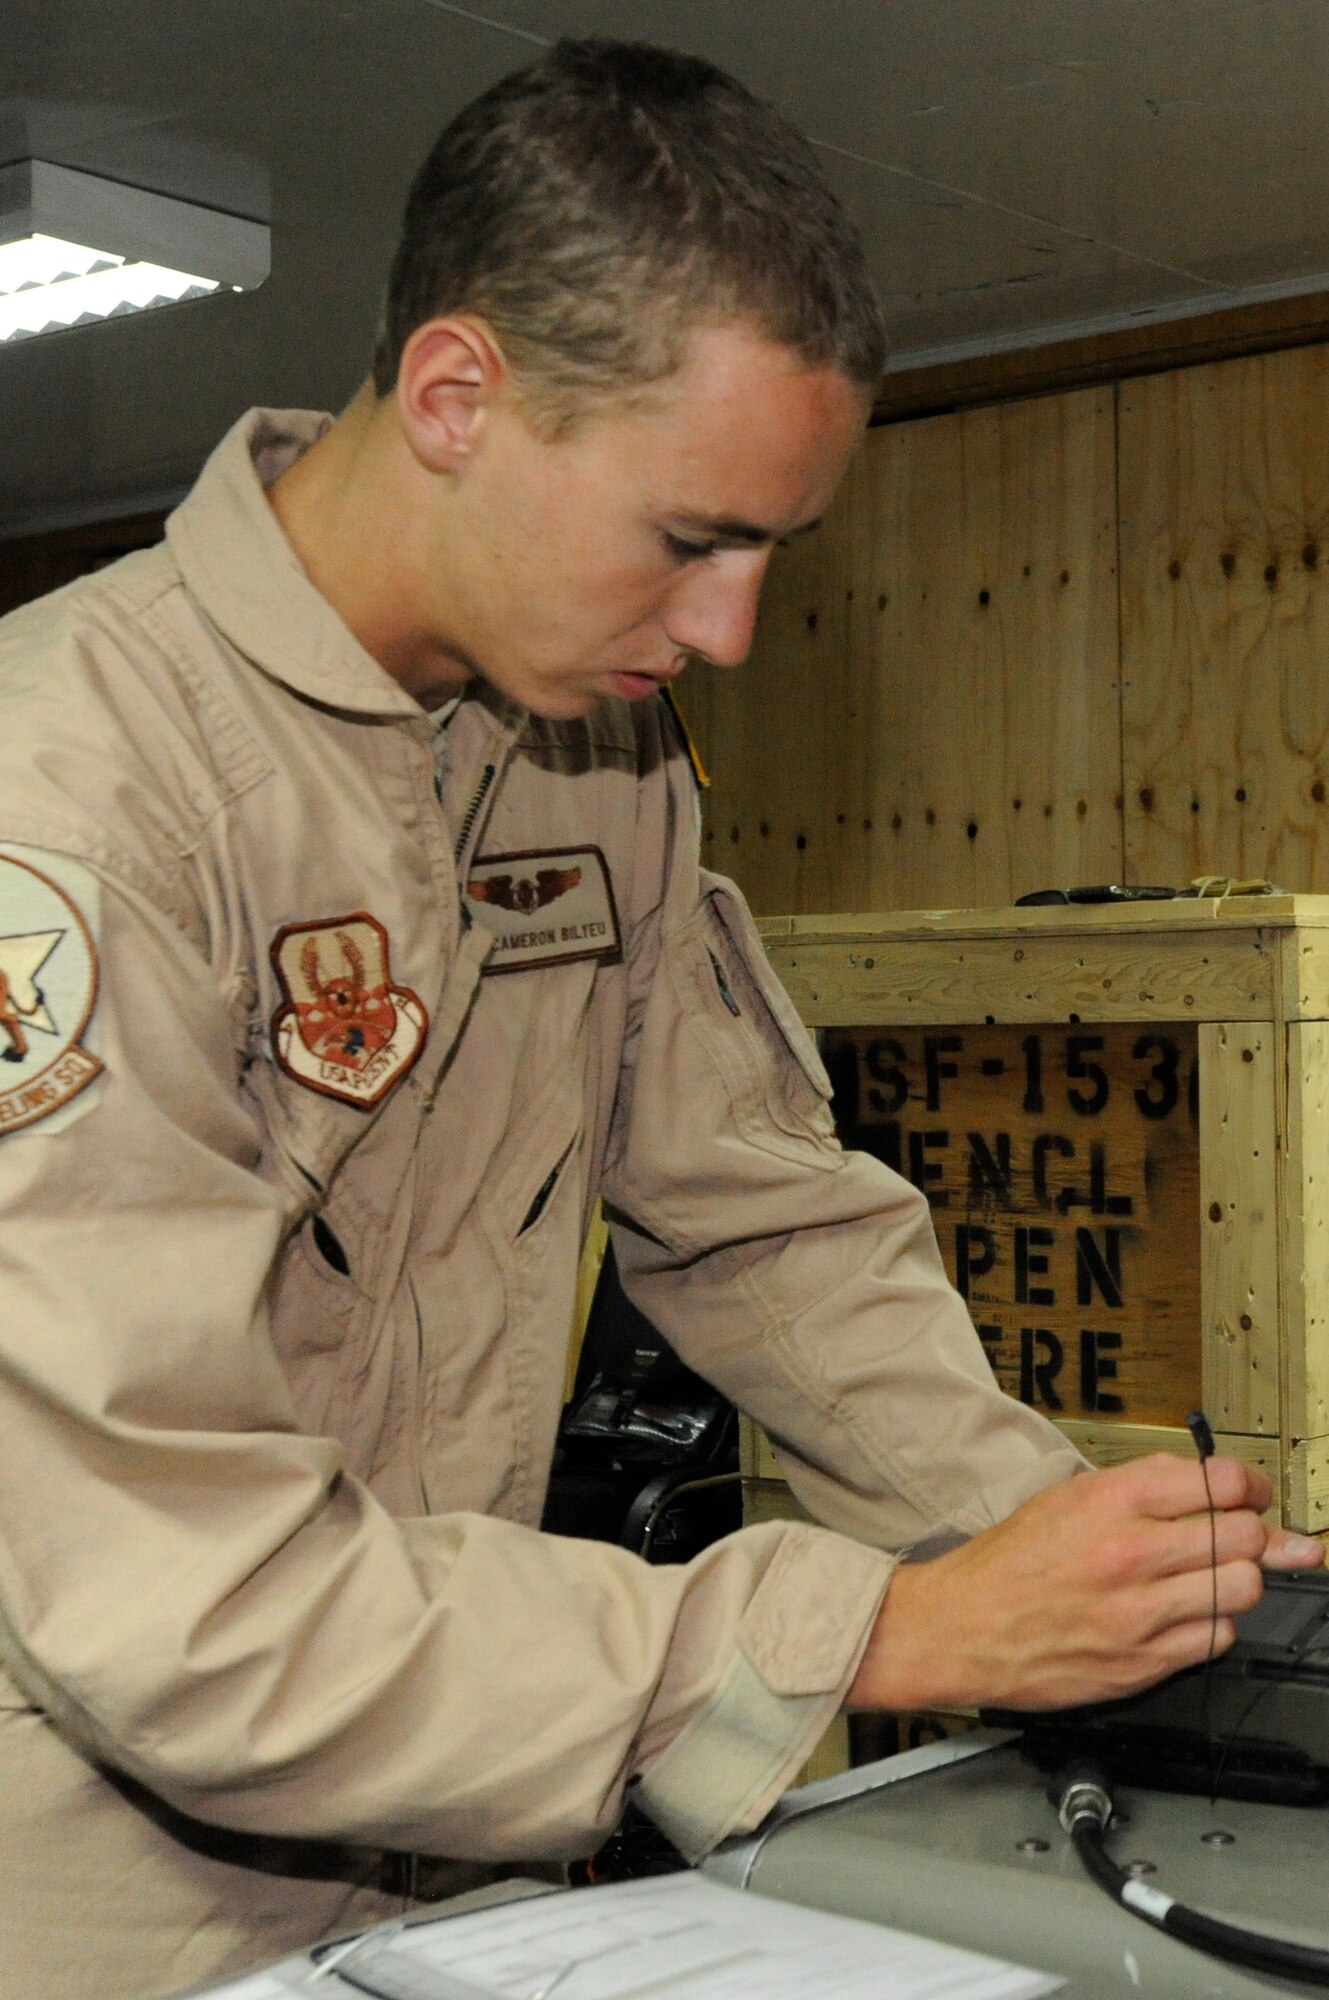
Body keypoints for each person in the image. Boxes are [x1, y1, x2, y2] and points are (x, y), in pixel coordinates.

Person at [0, 37, 1317, 2000]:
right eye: (690, 536)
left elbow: (765, 1222)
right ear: (458, 395)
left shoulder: (584, 756)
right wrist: (868, 1631)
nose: (727, 633)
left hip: (468, 1852)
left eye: (770, 549)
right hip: (109, 1914)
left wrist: (1102, 1575)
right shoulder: (72, 793)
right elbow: (181, 1604)